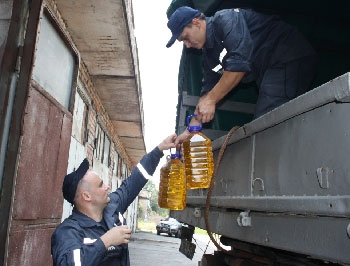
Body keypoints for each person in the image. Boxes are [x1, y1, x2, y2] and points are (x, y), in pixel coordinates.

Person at [166, 6, 318, 142]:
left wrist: (212, 99)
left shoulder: (226, 19)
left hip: (288, 56)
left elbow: (239, 65)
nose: (187, 45)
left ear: (197, 22)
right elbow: (208, 90)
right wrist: (190, 129)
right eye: (182, 42)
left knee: (266, 125)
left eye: (185, 38)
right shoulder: (209, 55)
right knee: (270, 120)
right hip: (269, 71)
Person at [51, 133, 177, 266]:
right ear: (86, 196)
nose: (107, 187)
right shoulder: (67, 232)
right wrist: (106, 241)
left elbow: (136, 179)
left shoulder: (112, 207)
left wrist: (160, 149)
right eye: (101, 185)